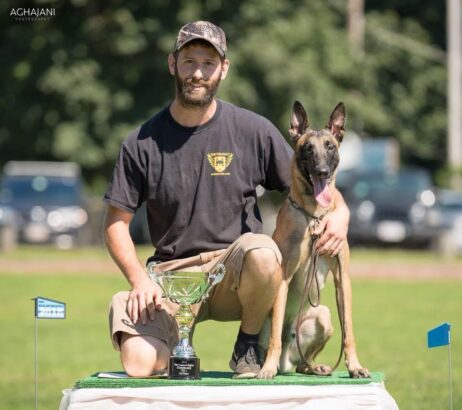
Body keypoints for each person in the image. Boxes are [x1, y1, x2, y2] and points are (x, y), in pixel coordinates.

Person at [103, 20, 350, 379]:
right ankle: (174, 344)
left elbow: (310, 181)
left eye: (208, 63)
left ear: (224, 69)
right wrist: (139, 280)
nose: (198, 73)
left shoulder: (253, 130)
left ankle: (248, 344)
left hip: (237, 272)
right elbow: (115, 224)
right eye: (189, 62)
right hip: (172, 278)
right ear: (173, 64)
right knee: (140, 364)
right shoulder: (140, 142)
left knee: (265, 251)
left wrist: (340, 213)